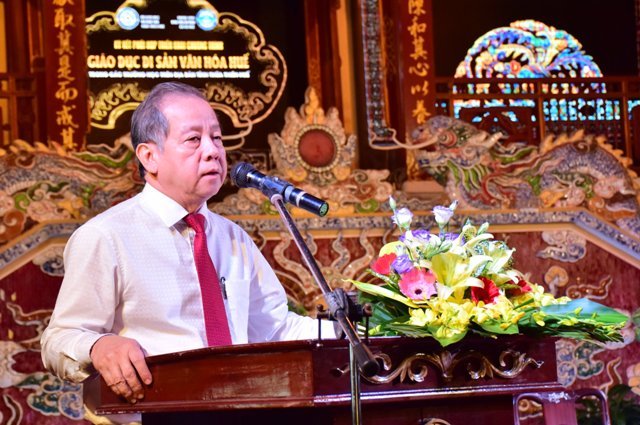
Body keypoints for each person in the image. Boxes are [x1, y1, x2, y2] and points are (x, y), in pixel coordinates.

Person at [40, 82, 335, 406]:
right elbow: (59, 339)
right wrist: (98, 347)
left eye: (217, 138)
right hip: (153, 414)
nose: (212, 151)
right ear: (149, 156)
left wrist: (357, 333)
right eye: (194, 139)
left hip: (238, 410)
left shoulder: (233, 238)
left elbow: (276, 328)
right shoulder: (106, 236)